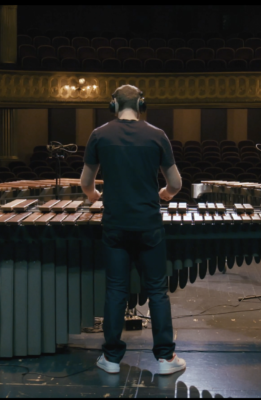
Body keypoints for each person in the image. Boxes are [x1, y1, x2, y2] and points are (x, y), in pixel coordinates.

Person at [80, 84, 186, 375]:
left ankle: (112, 358)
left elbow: (86, 183)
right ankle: (165, 359)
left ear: (113, 105)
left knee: (116, 289)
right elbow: (176, 184)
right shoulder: (157, 135)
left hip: (115, 226)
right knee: (157, 291)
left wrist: (94, 197)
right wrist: (164, 195)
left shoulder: (99, 135)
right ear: (141, 104)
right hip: (148, 225)